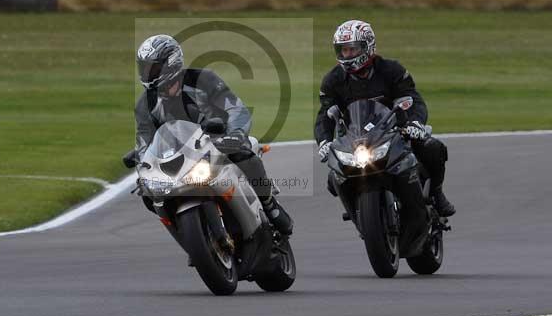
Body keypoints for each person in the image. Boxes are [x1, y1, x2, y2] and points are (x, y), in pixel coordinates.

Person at [126, 34, 294, 235]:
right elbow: (144, 140)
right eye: (143, 68)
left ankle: (269, 205)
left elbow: (236, 109)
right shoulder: (144, 104)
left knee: (245, 153)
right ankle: (188, 233)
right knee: (149, 193)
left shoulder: (203, 79)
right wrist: (143, 167)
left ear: (170, 62)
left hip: (219, 142)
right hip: (179, 157)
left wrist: (236, 133)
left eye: (152, 67)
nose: (147, 73)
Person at [315, 19, 456, 217]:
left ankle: (436, 194)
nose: (347, 55)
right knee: (333, 178)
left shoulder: (391, 70)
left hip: (396, 133)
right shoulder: (333, 80)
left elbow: (412, 99)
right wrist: (323, 141)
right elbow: (325, 115)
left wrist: (415, 123)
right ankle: (357, 209)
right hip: (355, 141)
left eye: (352, 49)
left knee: (433, 148)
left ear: (368, 46)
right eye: (343, 50)